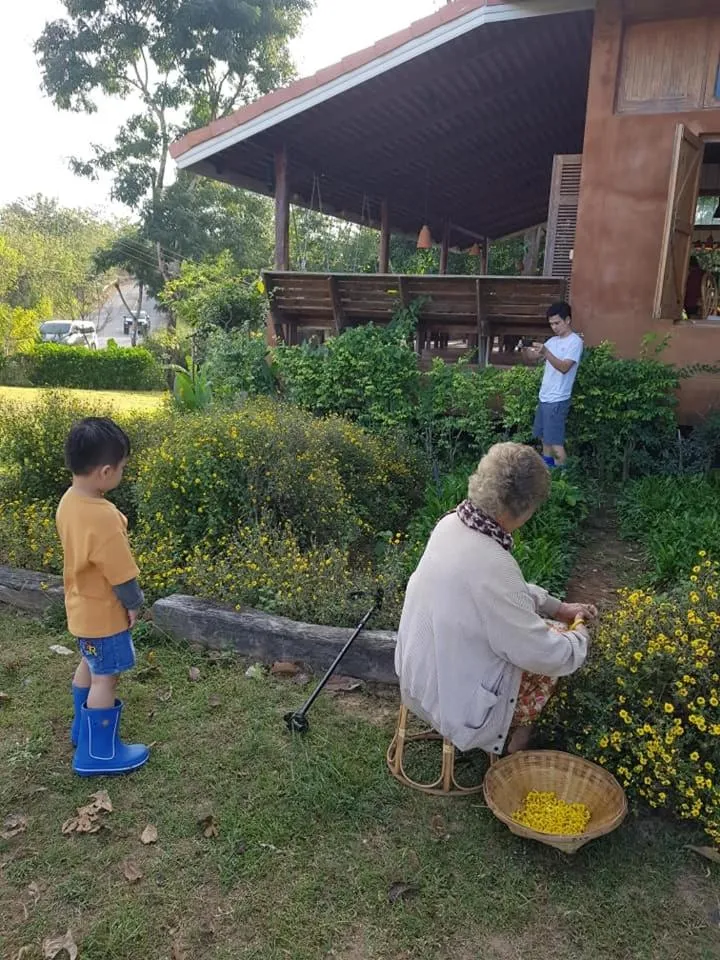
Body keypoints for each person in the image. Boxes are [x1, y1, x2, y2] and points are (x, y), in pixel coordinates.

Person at [395, 443, 596, 757]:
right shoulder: (494, 563)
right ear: (521, 507)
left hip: (418, 675)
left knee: (546, 628)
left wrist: (557, 606)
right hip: (454, 700)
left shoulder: (452, 524)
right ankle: (516, 745)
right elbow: (541, 652)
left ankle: (516, 740)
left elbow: (499, 591)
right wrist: (579, 635)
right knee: (553, 650)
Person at [56, 417, 150, 776]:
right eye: (122, 468)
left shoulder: (69, 500)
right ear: (106, 471)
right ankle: (97, 754)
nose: (122, 473)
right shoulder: (104, 516)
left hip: (81, 611)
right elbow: (121, 572)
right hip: (104, 615)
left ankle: (82, 731)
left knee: (90, 664)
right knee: (106, 677)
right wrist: (134, 603)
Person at [524, 301, 584, 468]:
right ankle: (548, 469)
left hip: (558, 399)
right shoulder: (553, 341)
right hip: (545, 397)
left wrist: (546, 352)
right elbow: (532, 358)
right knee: (544, 437)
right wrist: (525, 348)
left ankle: (563, 477)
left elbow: (564, 367)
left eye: (557, 323)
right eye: (551, 324)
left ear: (568, 320)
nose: (554, 327)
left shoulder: (575, 342)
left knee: (555, 442)